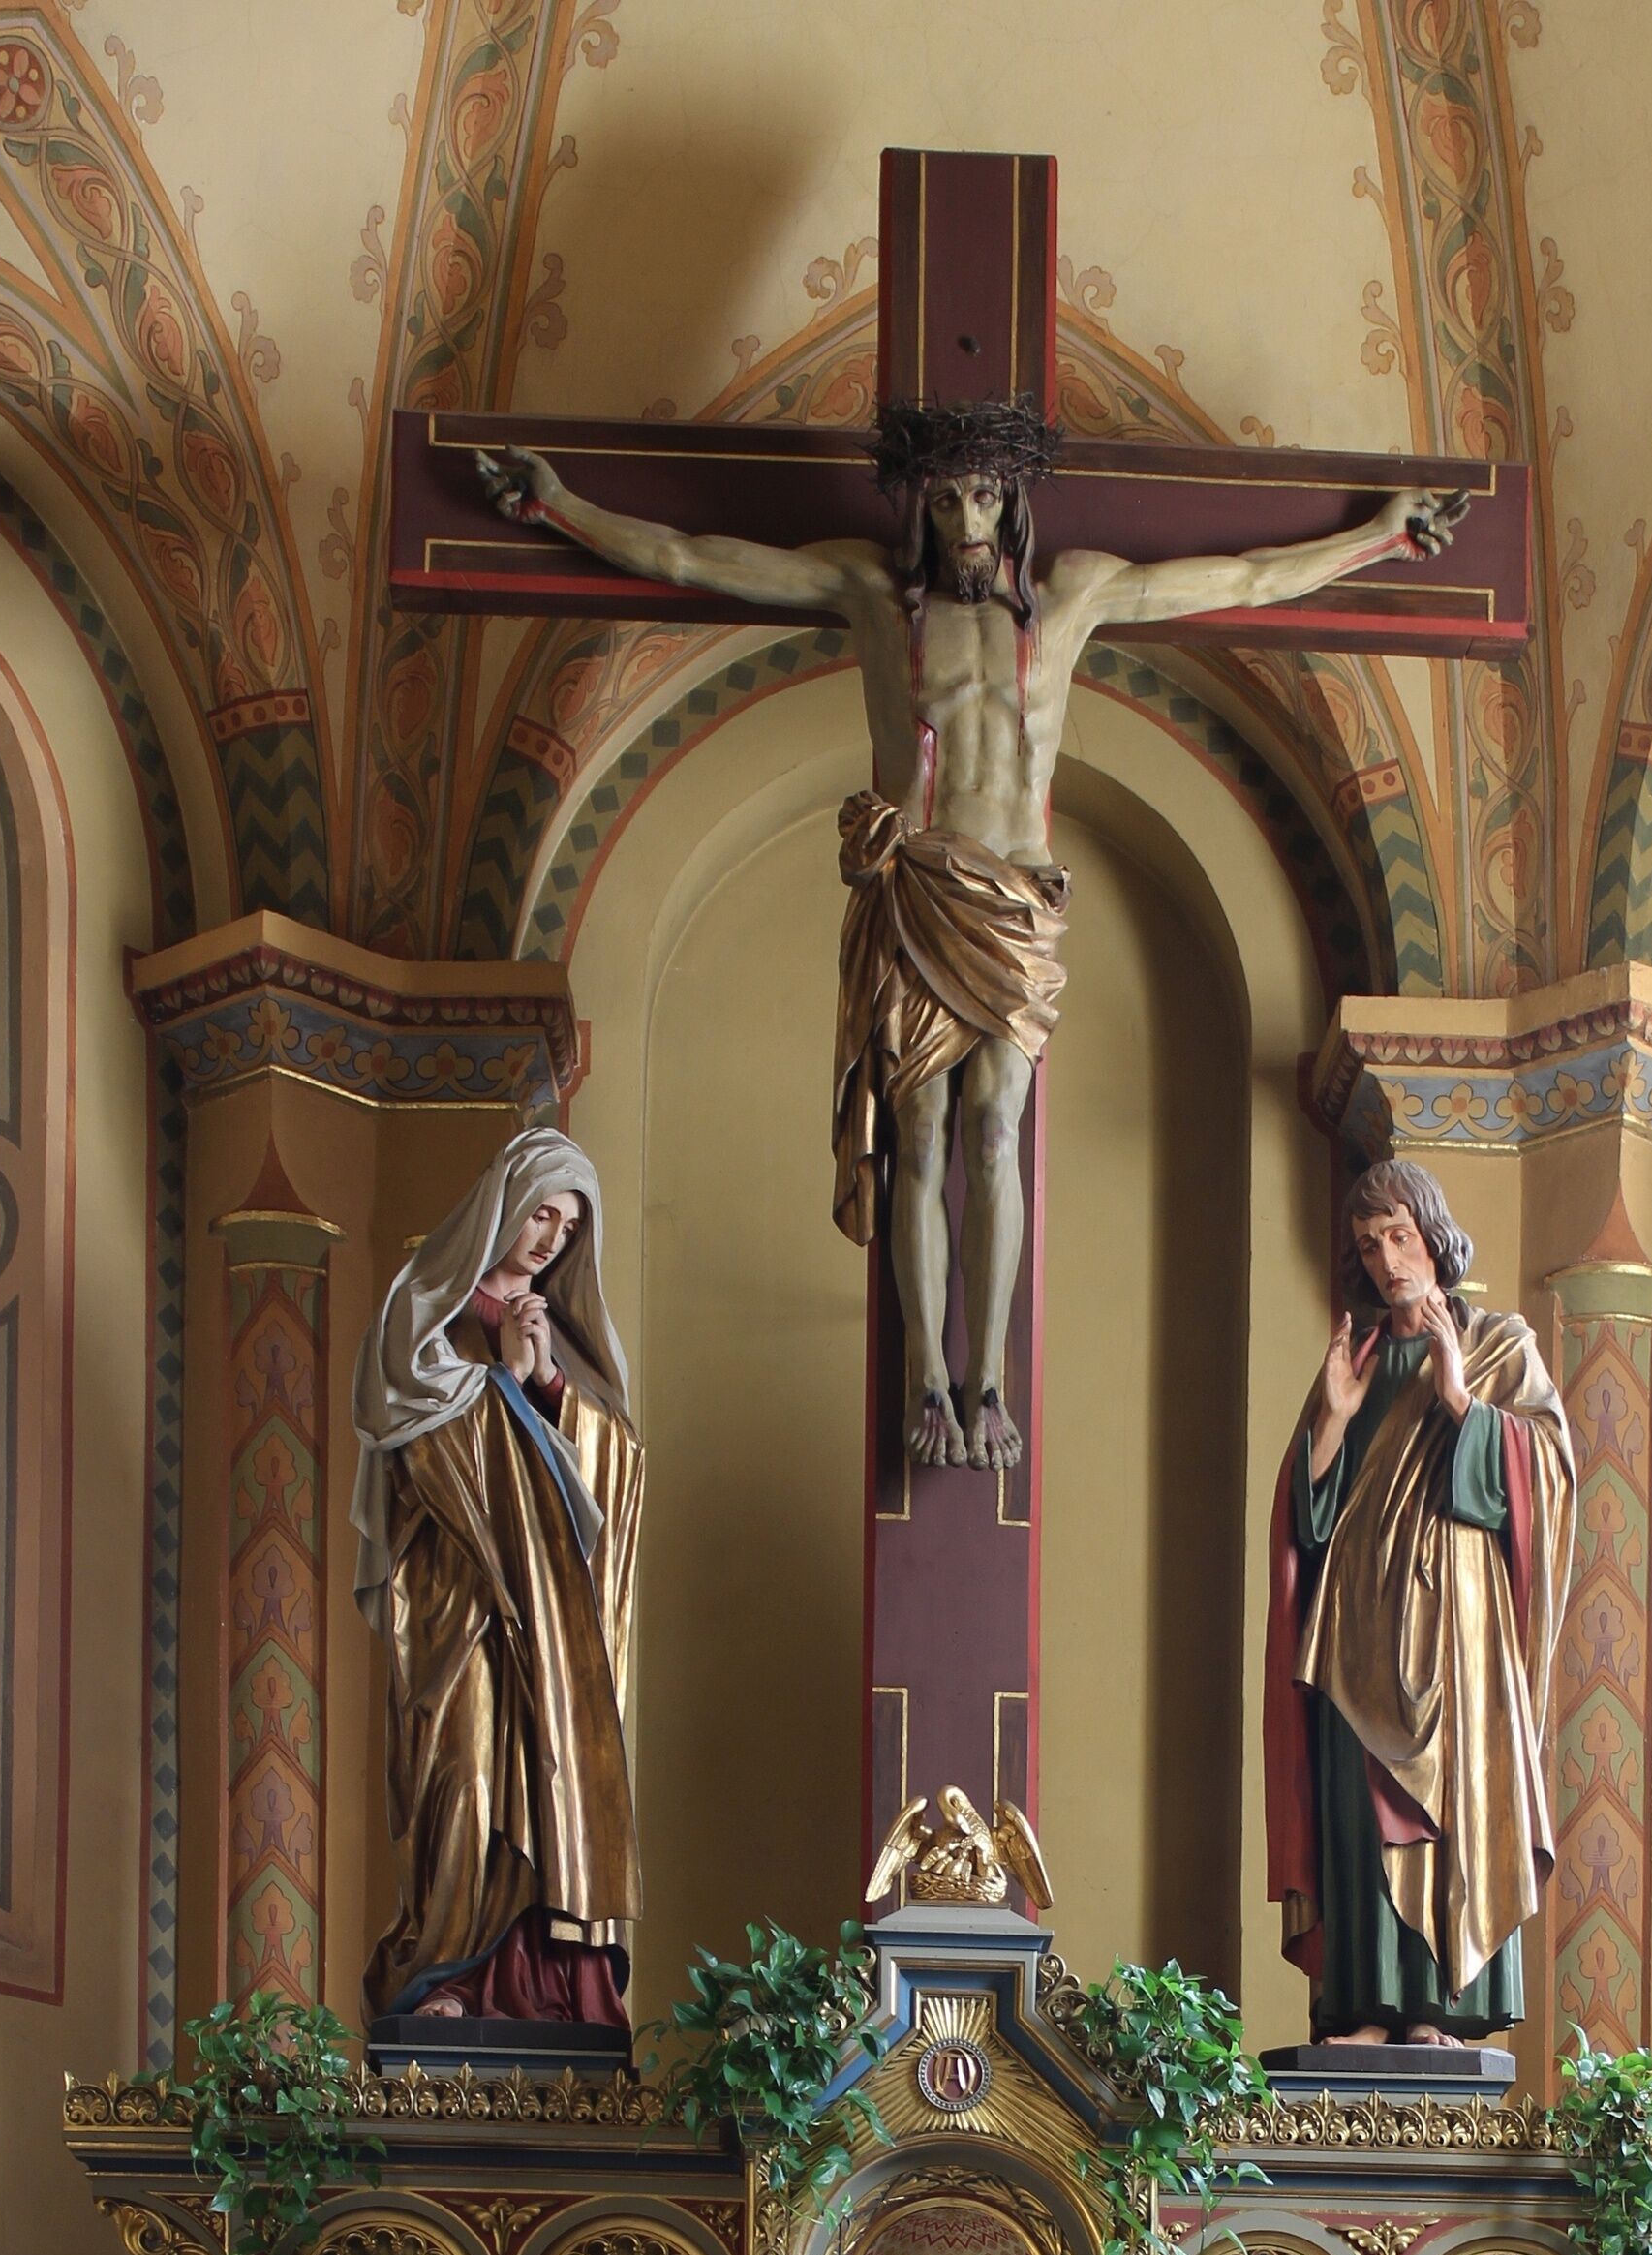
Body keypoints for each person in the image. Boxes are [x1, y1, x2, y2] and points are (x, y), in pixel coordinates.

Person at [477, 413, 1462, 1474]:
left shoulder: (1076, 595)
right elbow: (692, 556)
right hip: (918, 886)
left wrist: (1381, 538)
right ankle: (926, 1383)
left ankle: (985, 1375)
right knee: (919, 1135)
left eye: (982, 497)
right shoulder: (873, 596)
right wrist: (557, 505)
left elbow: (1243, 576)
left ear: (1015, 502)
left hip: (1016, 907)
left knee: (995, 1130)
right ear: (920, 513)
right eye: (942, 502)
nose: (964, 522)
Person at [1266, 1158, 1575, 2043]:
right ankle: (1363, 2005)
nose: (1385, 1258)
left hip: (1457, 1635)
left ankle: (1436, 2011)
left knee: (1446, 1807)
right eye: (1368, 1245)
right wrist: (1327, 1423)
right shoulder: (1355, 1358)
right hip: (1354, 1631)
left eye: (1398, 1234)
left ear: (1432, 1235)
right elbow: (1308, 1528)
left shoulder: (1497, 1340)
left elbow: (1549, 1475)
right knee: (1359, 1815)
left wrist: (1460, 1399)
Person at [350, 1122, 643, 2039]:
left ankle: (553, 1987)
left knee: (552, 1771)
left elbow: (618, 1475)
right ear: (504, 1205)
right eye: (543, 1213)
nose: (552, 1238)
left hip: (551, 1621)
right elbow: (413, 1451)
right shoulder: (423, 1314)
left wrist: (549, 1380)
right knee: (467, 1776)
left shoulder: (562, 1332)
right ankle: (448, 1970)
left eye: (569, 1225)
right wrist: (505, 1385)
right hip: (457, 1606)